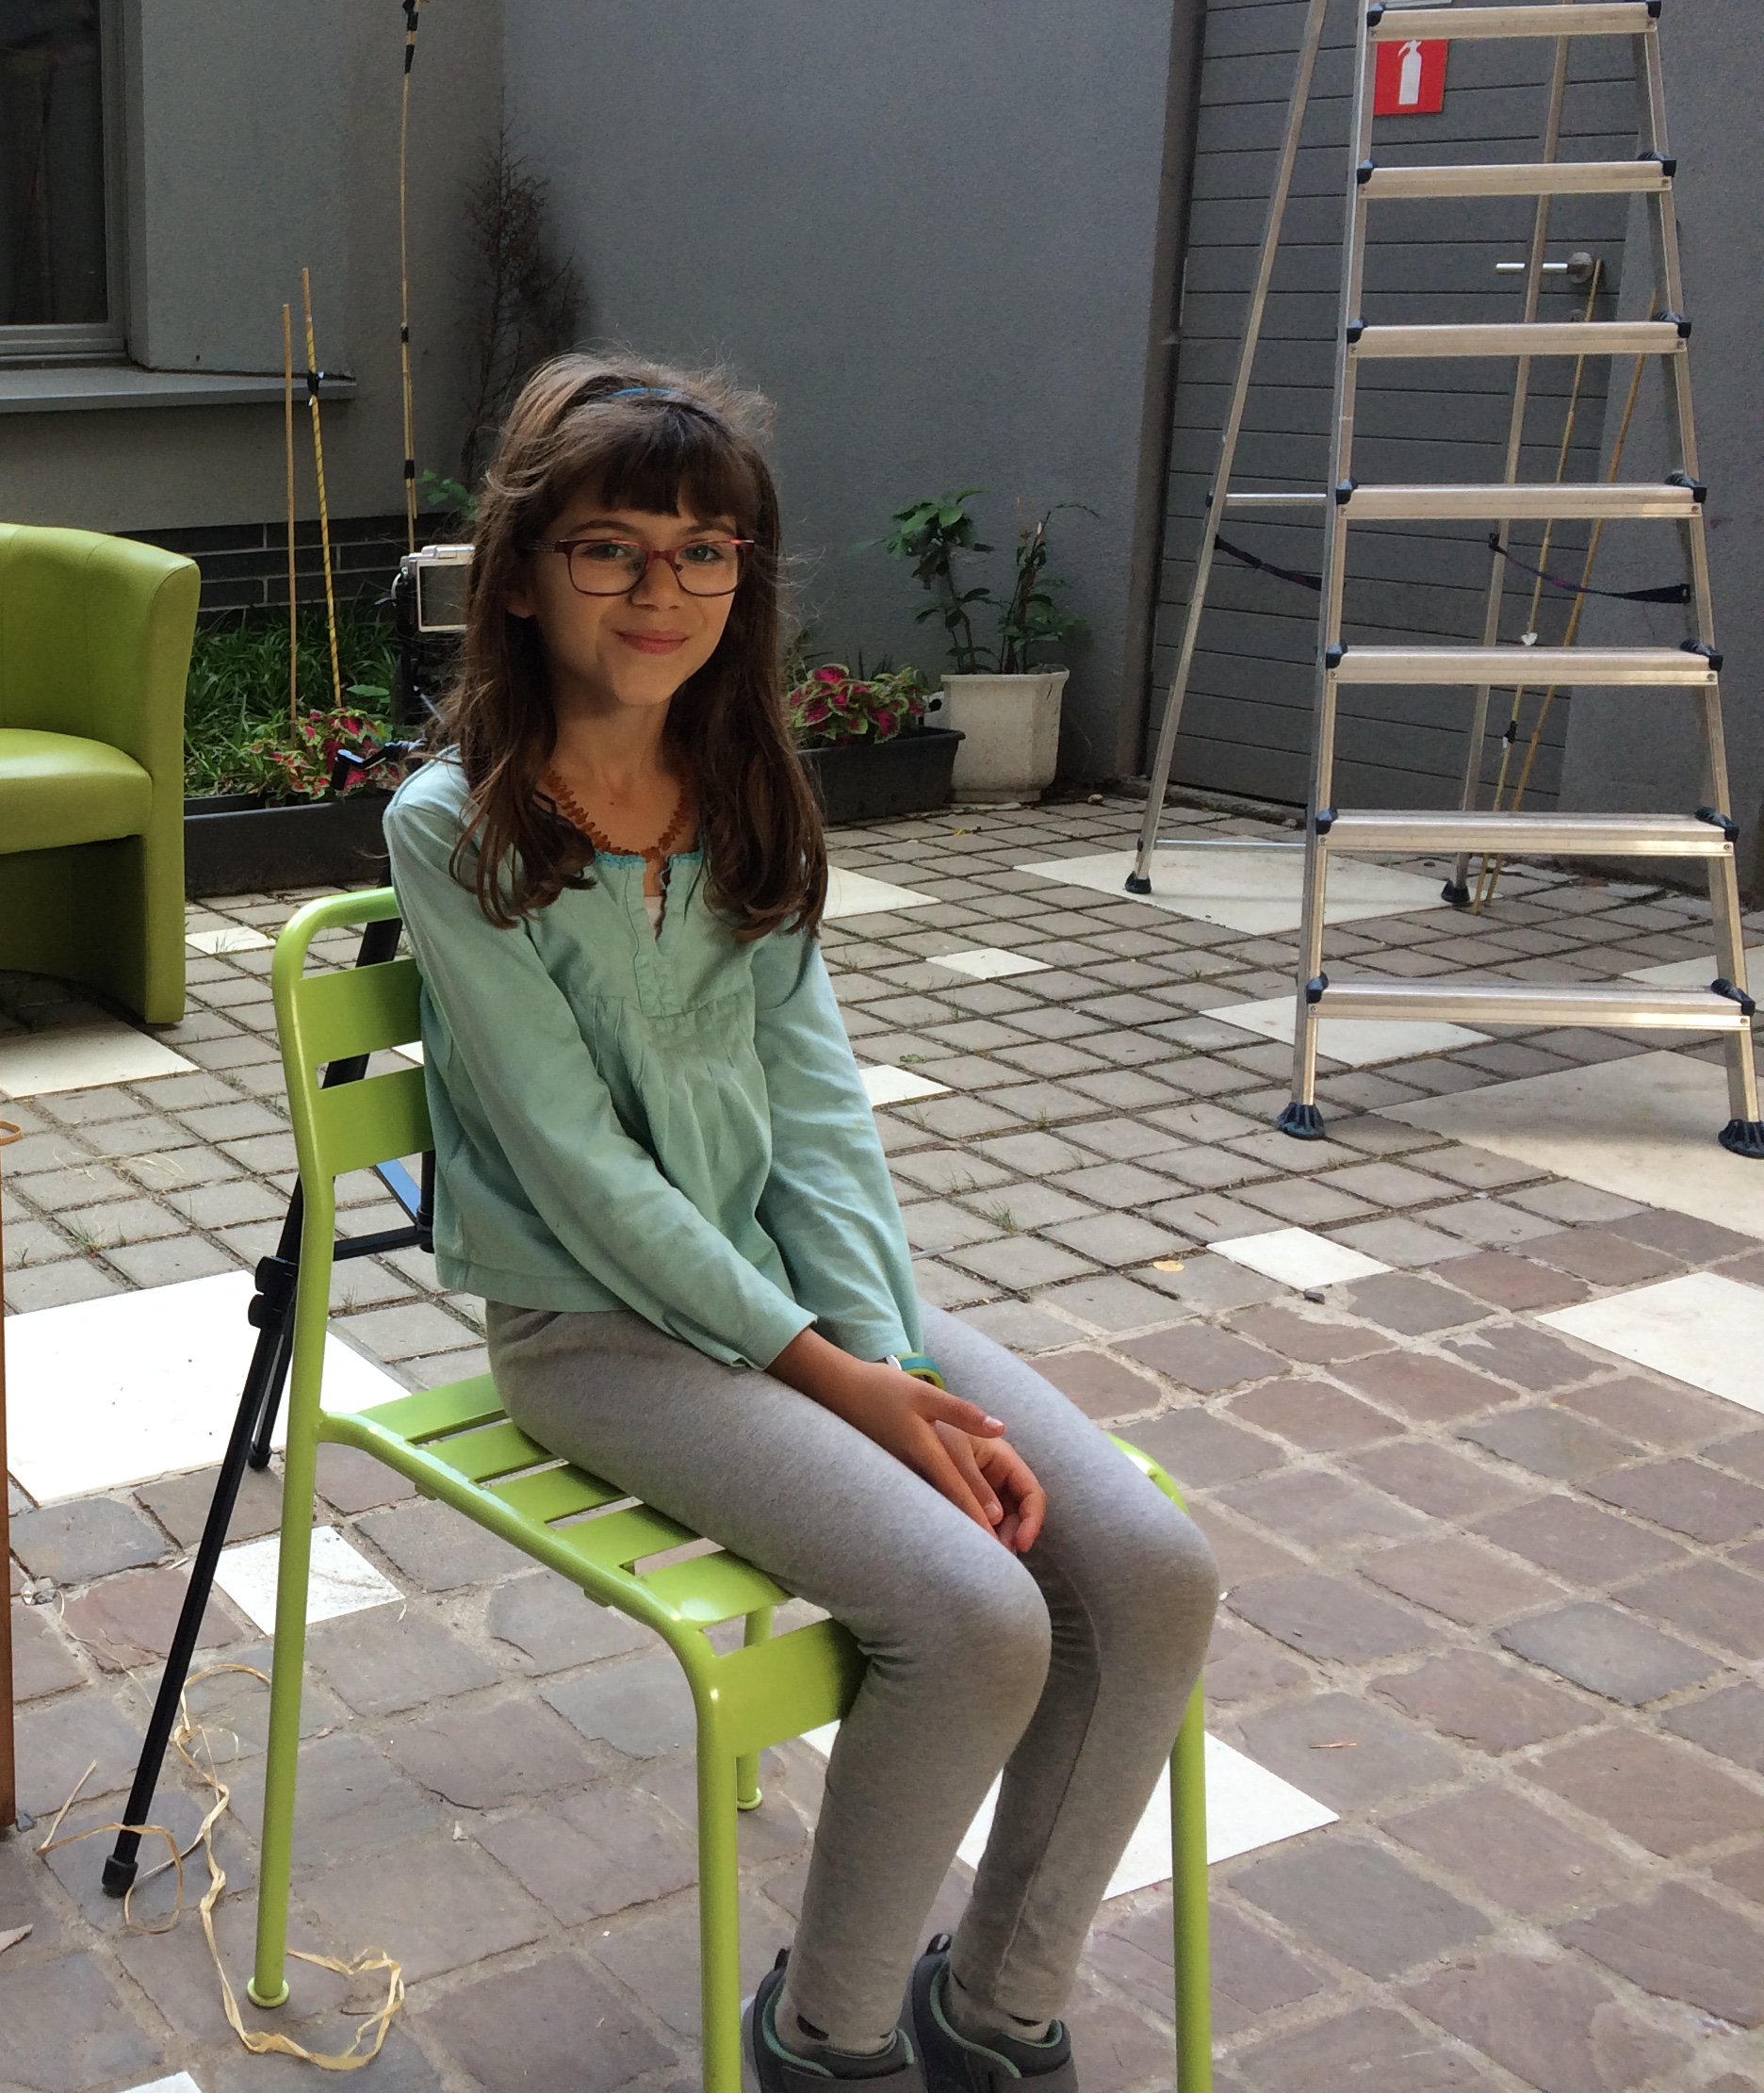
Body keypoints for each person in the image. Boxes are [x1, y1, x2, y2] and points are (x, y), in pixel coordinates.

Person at [383, 353, 1217, 2091]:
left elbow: (822, 1116)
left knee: (1151, 1576)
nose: (661, 590)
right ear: (521, 574)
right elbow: (580, 1169)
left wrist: (892, 1359)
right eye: (610, 548)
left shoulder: (744, 789)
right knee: (977, 1619)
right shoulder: (459, 829)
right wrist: (847, 1387)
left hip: (801, 1317)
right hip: (593, 1335)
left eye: (706, 552)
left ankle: (997, 2011)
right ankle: (826, 2040)